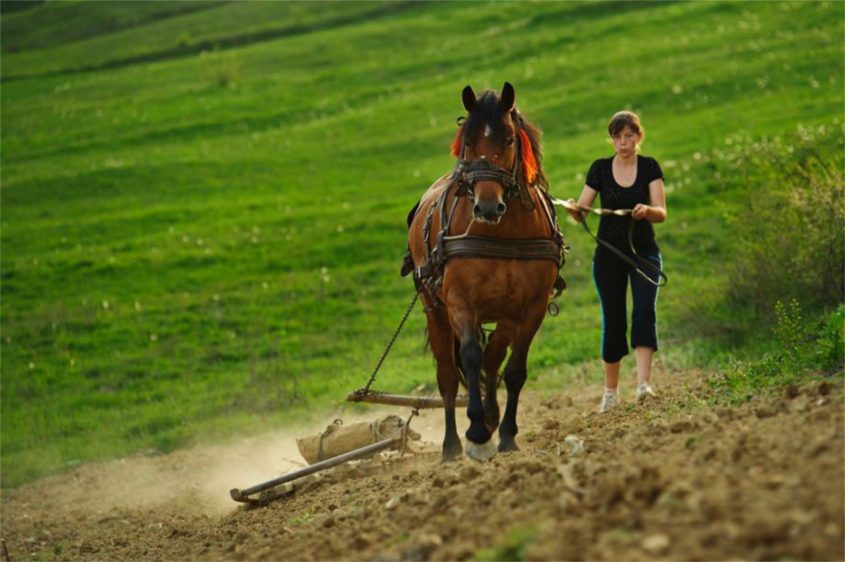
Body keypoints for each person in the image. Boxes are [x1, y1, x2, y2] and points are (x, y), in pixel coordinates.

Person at [566, 111, 667, 413]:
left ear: (639, 137)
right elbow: (583, 209)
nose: (624, 143)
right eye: (618, 137)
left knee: (644, 312)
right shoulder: (599, 169)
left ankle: (643, 386)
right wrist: (574, 209)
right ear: (611, 139)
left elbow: (661, 212)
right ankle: (611, 393)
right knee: (614, 320)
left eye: (629, 136)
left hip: (643, 252)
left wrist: (646, 211)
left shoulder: (650, 167)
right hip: (609, 256)